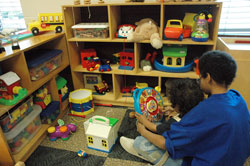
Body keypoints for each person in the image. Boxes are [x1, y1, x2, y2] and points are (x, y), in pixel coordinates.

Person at [120, 50, 250, 166]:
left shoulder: (202, 113)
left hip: (208, 161)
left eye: (201, 76)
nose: (199, 80)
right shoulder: (238, 98)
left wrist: (143, 131)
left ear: (208, 77)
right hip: (234, 159)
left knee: (143, 142)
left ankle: (139, 149)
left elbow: (166, 144)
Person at [120, 78, 204, 165]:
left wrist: (143, 130)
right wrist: (176, 111)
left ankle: (141, 151)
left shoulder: (178, 123)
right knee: (158, 126)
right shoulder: (200, 111)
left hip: (185, 161)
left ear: (178, 105)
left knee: (140, 142)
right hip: (195, 152)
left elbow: (162, 140)